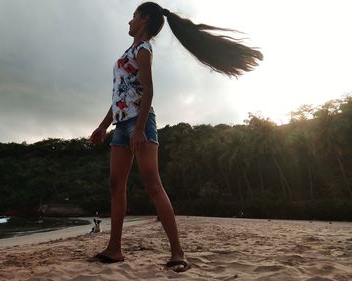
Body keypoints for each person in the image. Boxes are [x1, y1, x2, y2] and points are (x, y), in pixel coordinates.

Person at [88, 2, 262, 272]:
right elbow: (119, 96)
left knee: (152, 183)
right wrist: (102, 127)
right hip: (121, 125)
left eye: (133, 16)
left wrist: (139, 128)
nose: (129, 21)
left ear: (144, 19)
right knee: (115, 184)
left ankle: (178, 252)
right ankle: (114, 249)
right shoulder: (129, 52)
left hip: (140, 123)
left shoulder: (143, 50)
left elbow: (149, 91)